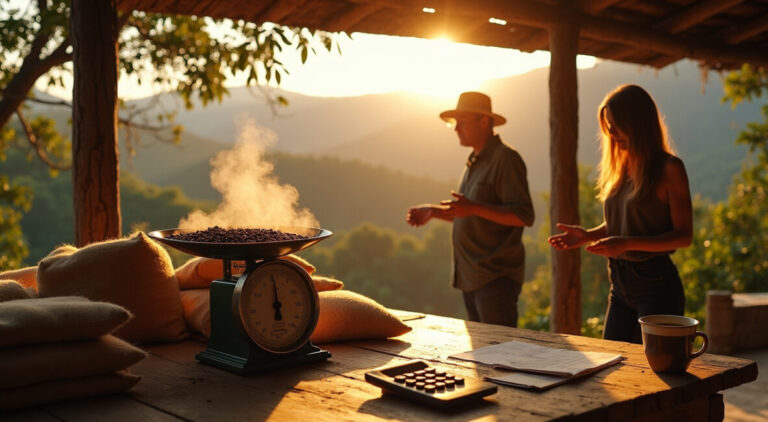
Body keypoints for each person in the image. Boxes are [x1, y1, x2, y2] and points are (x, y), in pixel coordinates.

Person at [548, 84, 693, 344]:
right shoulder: (622, 166)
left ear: (637, 123)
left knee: (655, 374)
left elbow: (683, 237)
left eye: (616, 125)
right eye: (608, 126)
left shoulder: (669, 169)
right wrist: (587, 236)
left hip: (656, 285)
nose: (611, 133)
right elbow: (623, 224)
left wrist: (627, 243)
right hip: (619, 284)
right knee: (614, 367)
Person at [406, 91, 534, 327]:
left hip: (495, 277)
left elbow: (523, 215)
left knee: (500, 353)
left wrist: (473, 207)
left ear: (484, 121)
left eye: (462, 122)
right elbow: (471, 213)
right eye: (455, 123)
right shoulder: (474, 161)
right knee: (485, 355)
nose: (456, 129)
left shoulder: (506, 159)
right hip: (472, 277)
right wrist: (433, 211)